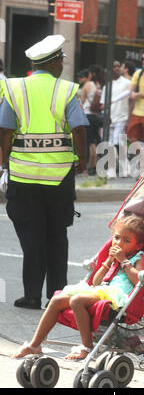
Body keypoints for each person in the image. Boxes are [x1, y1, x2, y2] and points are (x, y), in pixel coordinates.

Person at [0, 35, 88, 310]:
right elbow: (79, 127)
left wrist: (4, 163)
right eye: (61, 59)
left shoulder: (15, 89)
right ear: (54, 62)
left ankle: (31, 295)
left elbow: (5, 130)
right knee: (57, 237)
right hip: (59, 177)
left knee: (31, 236)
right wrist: (82, 158)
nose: (62, 64)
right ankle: (57, 296)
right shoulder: (66, 91)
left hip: (23, 177)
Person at [13, 214, 144, 361]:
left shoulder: (138, 257)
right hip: (101, 290)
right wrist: (109, 262)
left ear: (138, 245)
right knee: (56, 300)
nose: (119, 243)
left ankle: (87, 346)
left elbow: (138, 280)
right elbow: (96, 282)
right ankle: (34, 345)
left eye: (126, 240)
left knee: (76, 300)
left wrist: (123, 261)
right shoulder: (115, 258)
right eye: (116, 238)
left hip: (116, 296)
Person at [102, 61, 132, 177]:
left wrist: (129, 119)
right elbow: (103, 105)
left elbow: (131, 101)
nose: (116, 68)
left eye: (118, 66)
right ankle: (114, 170)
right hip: (109, 119)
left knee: (118, 143)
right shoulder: (107, 86)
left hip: (122, 118)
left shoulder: (127, 83)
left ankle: (125, 169)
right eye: (113, 66)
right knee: (111, 144)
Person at [80, 64, 105, 175]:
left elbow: (81, 101)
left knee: (90, 143)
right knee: (95, 140)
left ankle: (90, 166)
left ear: (92, 74)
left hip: (88, 115)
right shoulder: (100, 85)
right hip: (97, 116)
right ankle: (95, 166)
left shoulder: (88, 84)